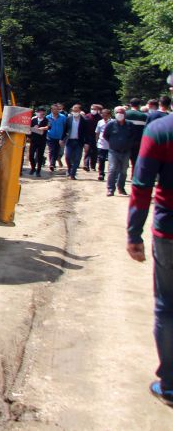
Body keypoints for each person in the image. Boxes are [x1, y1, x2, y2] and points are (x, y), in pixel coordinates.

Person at [126, 82, 173, 405]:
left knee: (167, 307)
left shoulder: (159, 130)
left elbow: (141, 185)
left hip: (169, 233)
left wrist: (134, 234)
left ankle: (169, 384)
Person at [105, 106, 134, 196]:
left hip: (125, 151)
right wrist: (113, 143)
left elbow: (133, 136)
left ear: (125, 114)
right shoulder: (111, 124)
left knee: (123, 171)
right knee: (112, 169)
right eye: (117, 113)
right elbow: (106, 135)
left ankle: (121, 188)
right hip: (113, 151)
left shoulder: (130, 124)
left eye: (121, 113)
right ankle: (110, 189)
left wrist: (128, 144)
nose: (119, 114)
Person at [63, 103, 89, 179]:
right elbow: (65, 130)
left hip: (79, 142)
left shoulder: (84, 120)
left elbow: (86, 133)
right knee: (67, 157)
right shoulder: (69, 119)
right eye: (74, 110)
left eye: (76, 110)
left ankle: (73, 174)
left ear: (80, 111)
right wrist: (61, 139)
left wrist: (86, 143)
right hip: (69, 141)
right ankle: (69, 169)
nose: (75, 112)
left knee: (77, 158)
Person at [128, 98, 150, 173]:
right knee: (135, 160)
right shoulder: (144, 116)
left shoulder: (125, 114)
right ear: (139, 105)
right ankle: (133, 175)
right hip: (138, 141)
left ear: (130, 104)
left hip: (125, 141)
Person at [28, 107, 50, 177]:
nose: (40, 114)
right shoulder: (33, 119)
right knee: (31, 155)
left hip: (42, 140)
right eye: (39, 112)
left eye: (42, 112)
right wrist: (29, 136)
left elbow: (49, 126)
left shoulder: (46, 120)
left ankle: (38, 170)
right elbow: (29, 128)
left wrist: (43, 128)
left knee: (39, 156)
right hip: (33, 140)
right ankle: (33, 167)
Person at [46, 104, 67, 173]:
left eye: (57, 109)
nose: (56, 110)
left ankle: (53, 162)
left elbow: (65, 127)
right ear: (51, 110)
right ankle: (52, 164)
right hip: (50, 136)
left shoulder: (63, 117)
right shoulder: (47, 117)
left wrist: (63, 137)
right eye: (54, 109)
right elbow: (45, 127)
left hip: (59, 137)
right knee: (51, 150)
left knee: (57, 151)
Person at [82, 104, 103, 172]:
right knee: (87, 151)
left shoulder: (100, 118)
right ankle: (86, 165)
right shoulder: (87, 116)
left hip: (96, 137)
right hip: (87, 136)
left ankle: (93, 166)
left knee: (94, 152)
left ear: (97, 110)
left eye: (95, 109)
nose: (93, 110)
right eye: (92, 109)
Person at [96, 107, 112, 181]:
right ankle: (101, 173)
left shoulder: (113, 122)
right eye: (103, 114)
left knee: (111, 160)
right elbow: (97, 132)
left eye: (105, 115)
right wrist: (97, 141)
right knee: (101, 159)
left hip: (111, 144)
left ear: (109, 115)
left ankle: (111, 174)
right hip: (101, 144)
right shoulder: (100, 122)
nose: (104, 116)